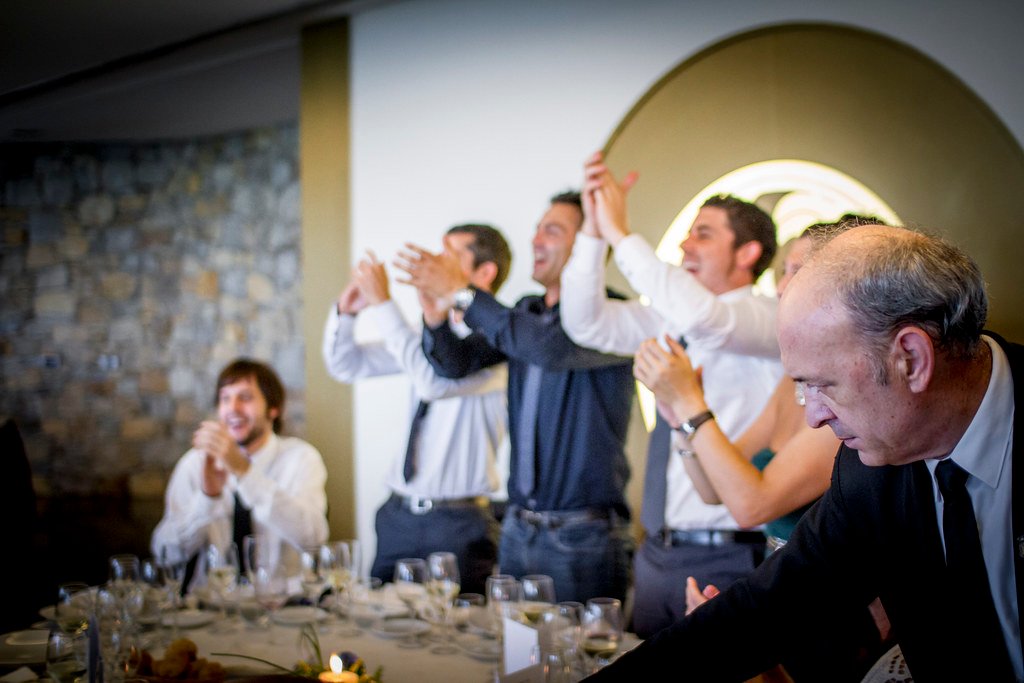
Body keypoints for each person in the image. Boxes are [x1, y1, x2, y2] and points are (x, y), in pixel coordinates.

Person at [586, 223, 1022, 681]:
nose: (813, 416)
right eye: (802, 386)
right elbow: (768, 607)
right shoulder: (868, 463)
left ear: (911, 359)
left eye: (823, 385)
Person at [634, 223, 891, 682]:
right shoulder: (788, 388)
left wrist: (691, 404)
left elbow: (752, 505)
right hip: (780, 587)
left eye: (800, 271)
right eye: (784, 271)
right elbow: (713, 490)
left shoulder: (846, 405)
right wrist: (679, 421)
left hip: (831, 604)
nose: (782, 287)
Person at [562, 152, 782, 636]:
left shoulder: (768, 317)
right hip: (659, 551)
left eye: (704, 234)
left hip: (732, 553)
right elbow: (585, 323)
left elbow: (706, 319)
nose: (685, 243)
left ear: (747, 253)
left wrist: (621, 233)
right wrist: (594, 230)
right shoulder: (670, 319)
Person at [397, 191, 635, 605]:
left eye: (552, 231)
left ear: (590, 245)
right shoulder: (527, 312)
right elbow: (457, 364)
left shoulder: (613, 315)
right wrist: (435, 318)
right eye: (537, 230)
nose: (535, 240)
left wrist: (463, 292)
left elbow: (547, 347)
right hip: (517, 529)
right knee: (511, 644)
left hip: (583, 535)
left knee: (581, 648)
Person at [321, 223, 511, 594]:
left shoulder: (498, 340)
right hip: (397, 514)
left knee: (457, 626)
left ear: (485, 272)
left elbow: (433, 382)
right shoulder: (420, 335)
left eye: (450, 255)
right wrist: (347, 313)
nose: (435, 262)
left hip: (459, 521)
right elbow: (347, 365)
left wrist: (383, 304)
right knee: (381, 622)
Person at [151, 358, 328, 585]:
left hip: (283, 600)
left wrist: (245, 473)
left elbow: (313, 539)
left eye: (245, 397)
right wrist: (208, 497)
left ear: (273, 408)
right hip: (210, 601)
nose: (232, 408)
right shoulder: (195, 464)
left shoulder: (301, 458)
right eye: (225, 398)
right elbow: (164, 555)